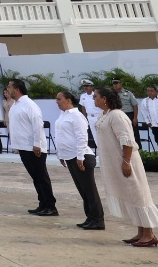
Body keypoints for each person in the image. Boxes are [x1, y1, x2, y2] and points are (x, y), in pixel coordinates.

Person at [93, 86, 158, 247]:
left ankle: (149, 234)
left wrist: (126, 161)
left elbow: (127, 140)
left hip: (127, 161)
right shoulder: (105, 115)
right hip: (117, 162)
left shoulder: (117, 115)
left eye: (96, 96)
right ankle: (141, 232)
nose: (93, 99)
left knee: (138, 194)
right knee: (132, 195)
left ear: (104, 99)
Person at [53, 90, 103, 230]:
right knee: (83, 190)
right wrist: (61, 155)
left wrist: (80, 157)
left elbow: (82, 137)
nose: (56, 102)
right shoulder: (63, 115)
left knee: (89, 190)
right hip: (70, 157)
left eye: (59, 99)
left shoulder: (76, 115)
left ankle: (98, 220)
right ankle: (90, 217)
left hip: (81, 157)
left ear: (68, 100)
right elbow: (61, 136)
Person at [6, 78, 56, 217]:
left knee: (41, 177)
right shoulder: (15, 104)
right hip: (23, 147)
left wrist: (37, 144)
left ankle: (51, 206)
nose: (7, 89)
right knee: (36, 178)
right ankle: (42, 204)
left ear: (17, 89)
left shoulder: (29, 104)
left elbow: (37, 125)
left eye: (9, 87)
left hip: (33, 148)